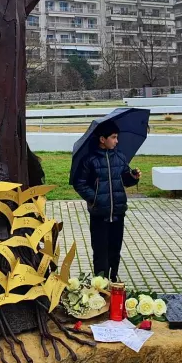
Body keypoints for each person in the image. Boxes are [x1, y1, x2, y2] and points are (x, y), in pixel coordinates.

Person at [73, 119, 141, 281]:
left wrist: (132, 176)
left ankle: (113, 280)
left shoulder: (120, 157)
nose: (117, 141)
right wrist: (95, 198)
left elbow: (125, 180)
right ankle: (100, 283)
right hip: (99, 214)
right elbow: (79, 183)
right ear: (102, 139)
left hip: (118, 212)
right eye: (113, 137)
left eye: (117, 137)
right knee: (100, 250)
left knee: (115, 249)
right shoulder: (89, 160)